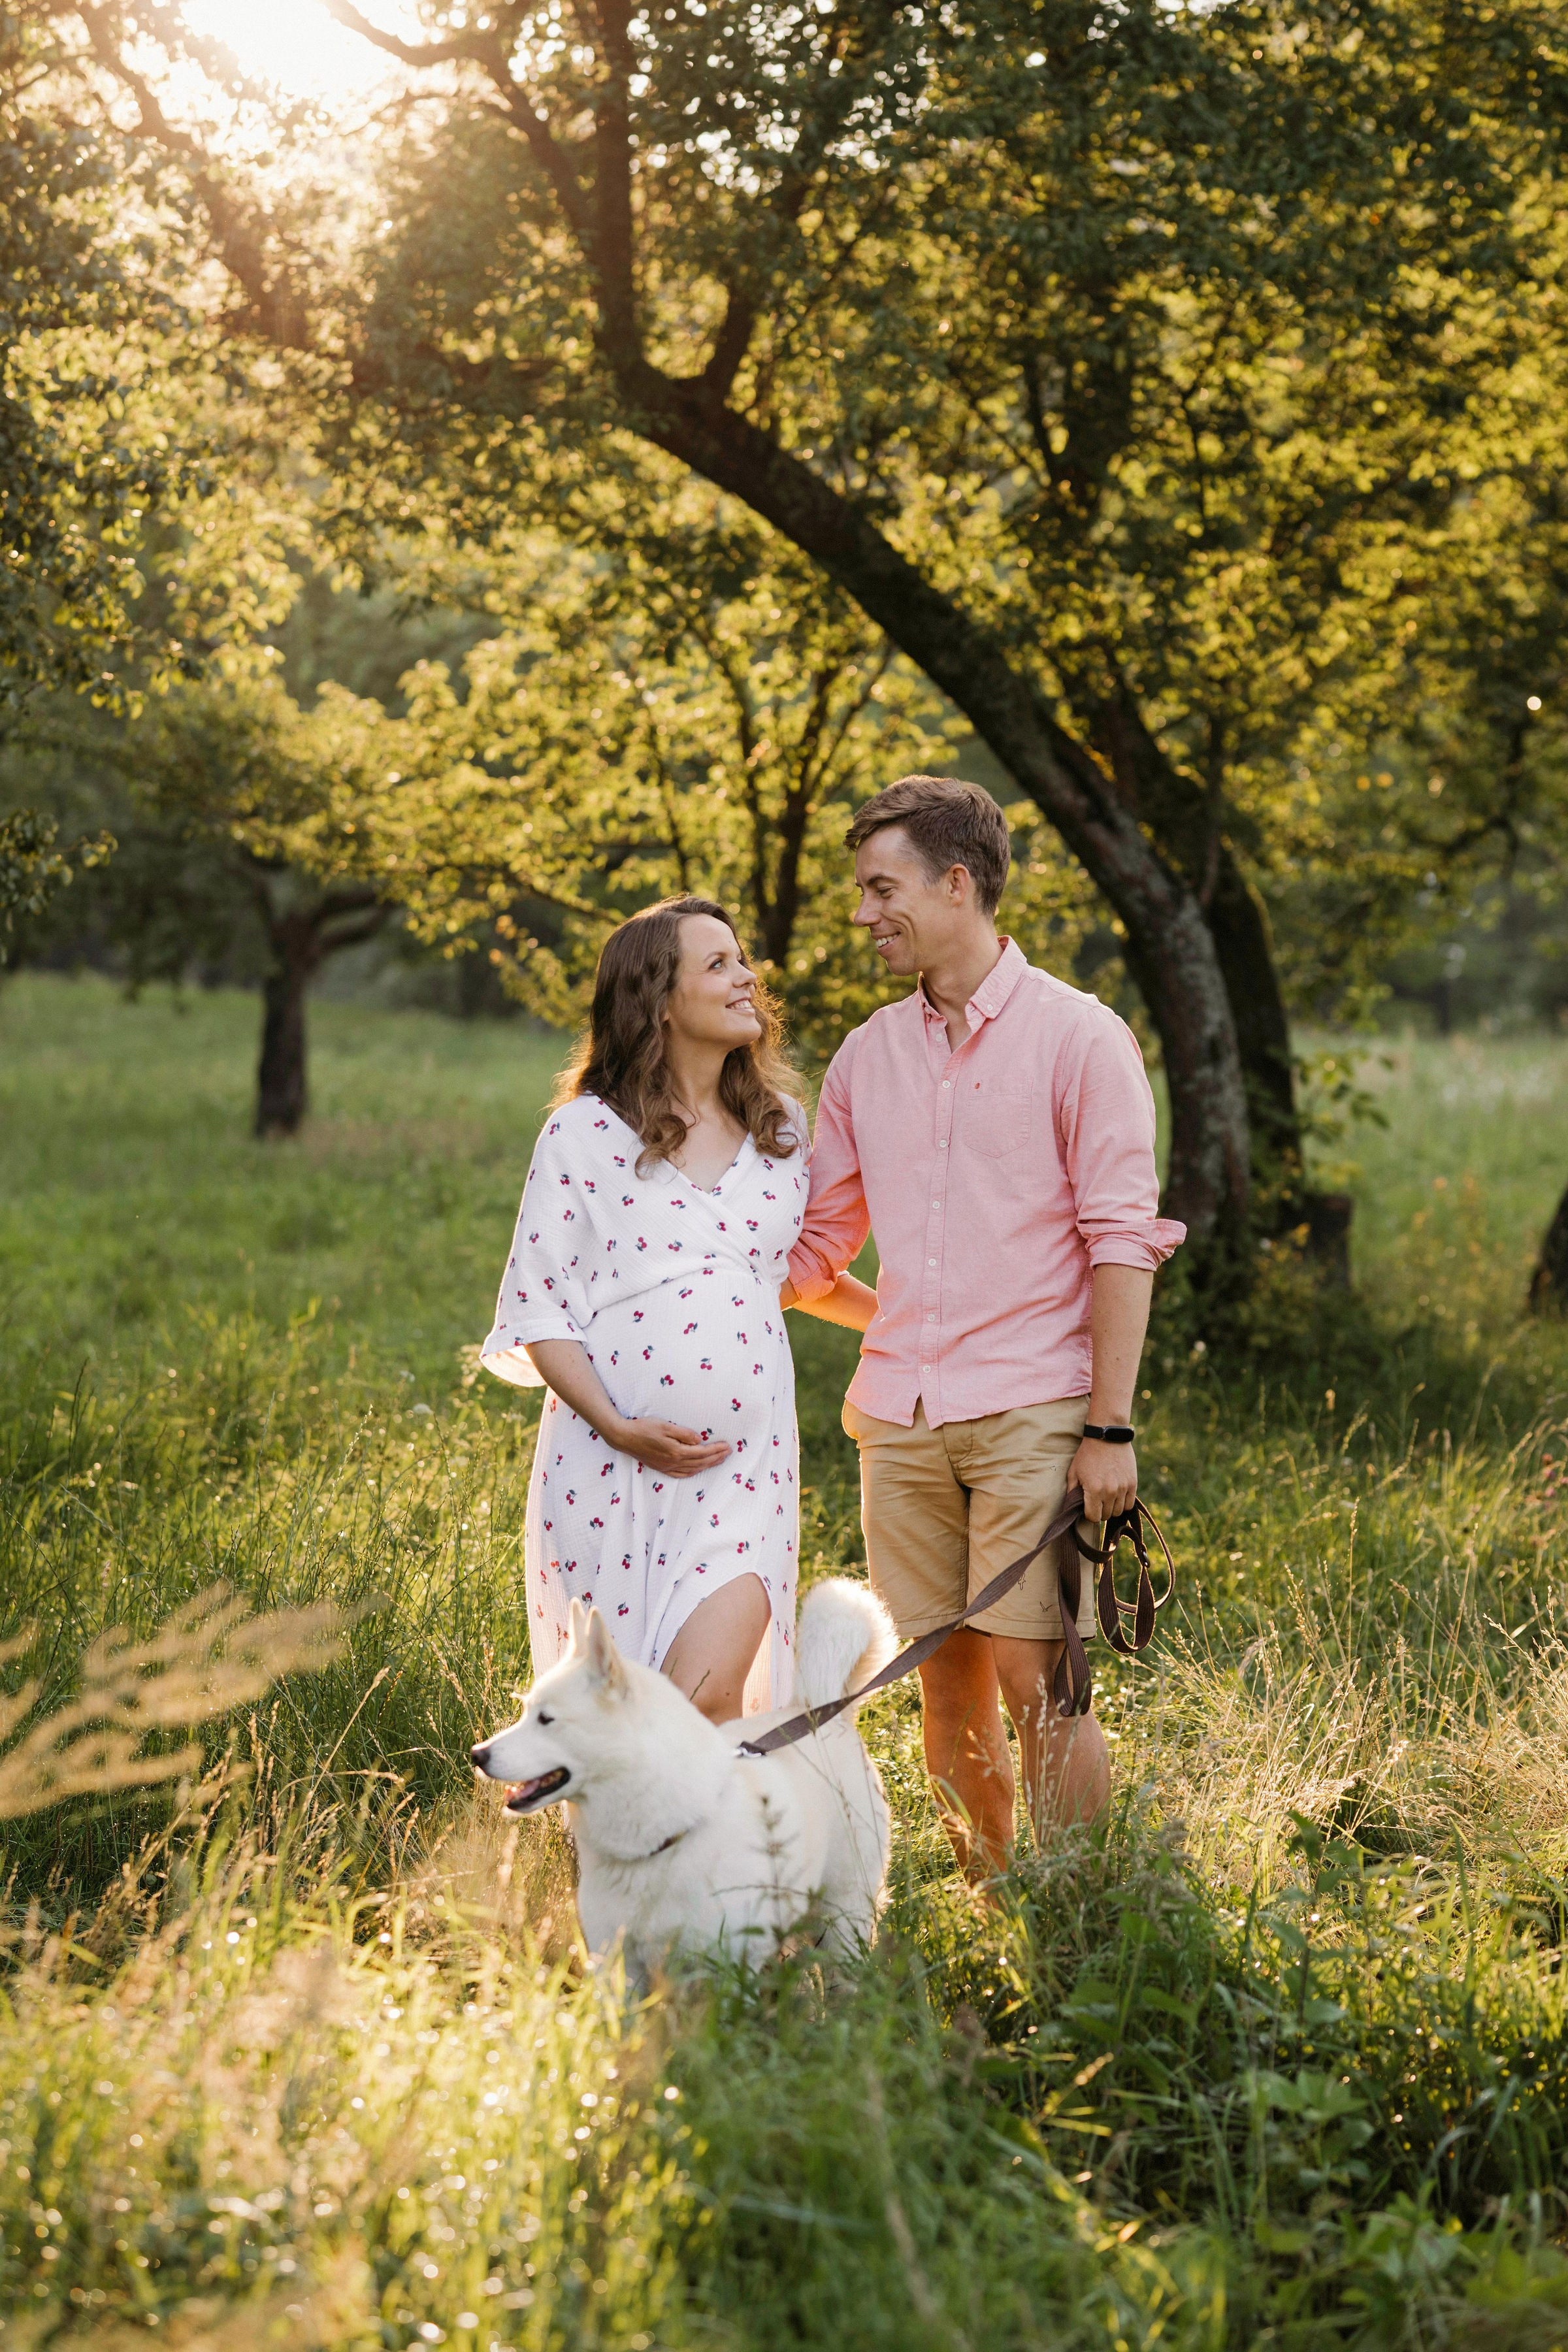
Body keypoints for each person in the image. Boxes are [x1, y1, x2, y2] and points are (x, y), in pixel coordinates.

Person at [783, 777, 1184, 1877]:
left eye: (883, 888)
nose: (865, 913)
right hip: (901, 1421)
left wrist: (1110, 1430)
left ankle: (1086, 1921)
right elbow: (815, 1253)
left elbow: (1120, 1240)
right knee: (944, 1679)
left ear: (958, 885)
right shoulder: (868, 1056)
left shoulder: (1079, 1040)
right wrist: (687, 1240)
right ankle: (996, 1911)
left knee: (1038, 1677)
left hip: (1035, 1411)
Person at [480, 897, 874, 1723]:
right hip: (605, 1467)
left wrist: (913, 1326)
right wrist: (620, 1427)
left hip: (742, 1470)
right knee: (615, 1722)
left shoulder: (781, 1132)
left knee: (701, 1704)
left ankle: (711, 1853)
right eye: (719, 964)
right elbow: (540, 1307)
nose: (747, 978)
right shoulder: (582, 1135)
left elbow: (792, 1277)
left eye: (742, 960)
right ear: (658, 1000)